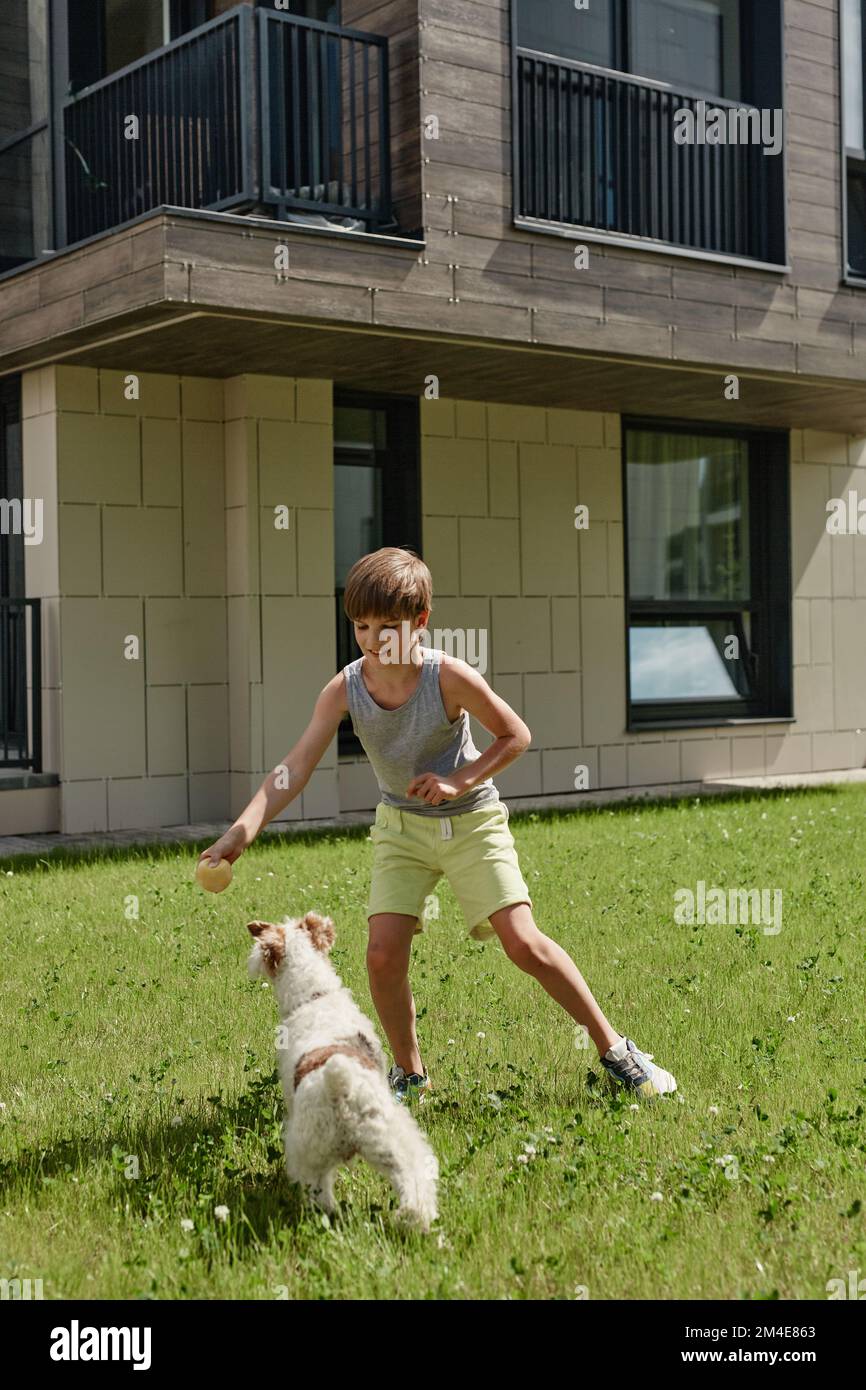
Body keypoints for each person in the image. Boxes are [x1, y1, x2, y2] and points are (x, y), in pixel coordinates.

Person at [200, 548, 677, 1104]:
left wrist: (461, 780)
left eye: (388, 627)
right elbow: (296, 765)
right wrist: (243, 830)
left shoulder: (447, 676)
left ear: (420, 621)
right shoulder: (346, 689)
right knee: (381, 955)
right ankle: (409, 1074)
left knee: (523, 944)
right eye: (361, 625)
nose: (373, 639)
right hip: (401, 828)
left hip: (472, 822)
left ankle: (617, 1050)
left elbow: (514, 734)